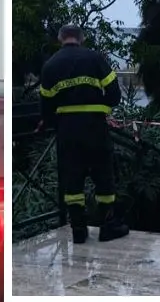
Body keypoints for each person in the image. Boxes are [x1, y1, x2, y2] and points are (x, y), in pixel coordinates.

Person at [38, 24, 129, 244]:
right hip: (95, 127)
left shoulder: (50, 66)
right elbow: (115, 94)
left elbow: (46, 106)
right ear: (82, 38)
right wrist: (101, 107)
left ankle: (78, 229)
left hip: (67, 131)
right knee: (103, 176)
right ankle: (108, 226)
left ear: (61, 39)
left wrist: (53, 122)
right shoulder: (95, 59)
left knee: (72, 179)